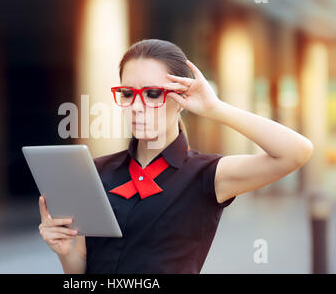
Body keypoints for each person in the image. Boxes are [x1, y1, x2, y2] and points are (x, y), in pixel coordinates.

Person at [38, 39, 313, 273]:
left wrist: (214, 108)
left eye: (153, 93)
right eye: (127, 93)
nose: (137, 106)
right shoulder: (96, 170)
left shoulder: (207, 175)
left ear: (180, 99)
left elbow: (295, 151)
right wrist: (64, 252)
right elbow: (84, 268)